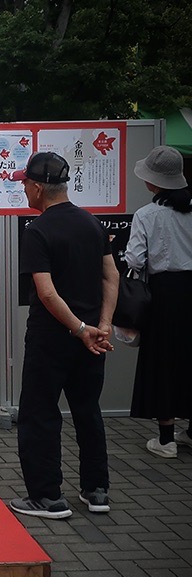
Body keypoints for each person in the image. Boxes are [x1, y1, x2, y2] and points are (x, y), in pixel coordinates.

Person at [10, 151, 119, 519]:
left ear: (38, 188)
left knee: (39, 414)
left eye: (25, 184)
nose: (24, 190)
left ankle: (47, 497)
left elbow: (47, 292)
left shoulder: (37, 231)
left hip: (53, 338)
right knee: (88, 411)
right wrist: (101, 326)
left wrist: (79, 329)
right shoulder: (92, 224)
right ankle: (97, 490)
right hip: (91, 340)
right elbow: (111, 276)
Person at [124, 145, 192, 458]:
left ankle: (166, 440)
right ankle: (189, 433)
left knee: (163, 360)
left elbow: (135, 260)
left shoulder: (147, 215)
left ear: (155, 183)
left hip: (165, 294)